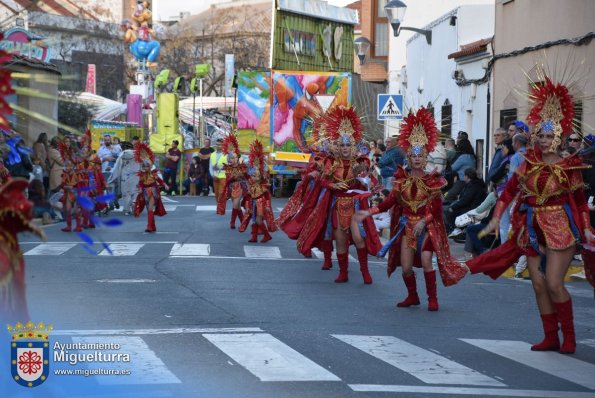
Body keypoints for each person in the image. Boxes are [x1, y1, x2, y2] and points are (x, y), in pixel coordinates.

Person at [467, 73, 594, 354]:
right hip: (533, 228)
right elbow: (509, 192)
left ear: (559, 136)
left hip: (561, 227)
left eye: (551, 136)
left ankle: (569, 336)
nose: (546, 140)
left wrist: (585, 228)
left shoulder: (569, 166)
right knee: (537, 284)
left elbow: (581, 202)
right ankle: (551, 336)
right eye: (542, 135)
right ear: (535, 136)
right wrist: (497, 217)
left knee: (553, 282)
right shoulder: (526, 164)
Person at [356, 107, 468, 309]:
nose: (416, 159)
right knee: (406, 268)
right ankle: (413, 296)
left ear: (425, 157)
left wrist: (424, 221)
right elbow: (390, 202)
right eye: (413, 156)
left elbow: (435, 208)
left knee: (426, 260)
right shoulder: (401, 181)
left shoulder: (433, 181)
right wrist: (369, 211)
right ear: (408, 157)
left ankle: (432, 299)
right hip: (407, 226)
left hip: (426, 226)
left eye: (420, 155)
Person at [295, 106, 381, 284]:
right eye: (341, 145)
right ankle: (343, 272)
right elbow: (322, 180)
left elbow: (368, 179)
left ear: (354, 145)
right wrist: (332, 184)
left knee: (358, 238)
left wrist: (362, 174)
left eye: (348, 145)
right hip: (337, 204)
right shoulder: (331, 162)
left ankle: (365, 271)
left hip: (355, 205)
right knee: (340, 240)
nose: (344, 148)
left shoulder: (361, 161)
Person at [239, 140, 277, 243]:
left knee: (258, 220)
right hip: (252, 201)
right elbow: (244, 176)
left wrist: (268, 206)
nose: (254, 177)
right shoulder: (250, 177)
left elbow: (268, 195)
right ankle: (254, 237)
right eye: (253, 175)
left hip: (261, 202)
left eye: (256, 176)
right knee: (253, 218)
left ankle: (267, 235)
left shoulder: (263, 184)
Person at [133, 143, 168, 232]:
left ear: (150, 166)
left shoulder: (154, 174)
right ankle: (153, 226)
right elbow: (141, 183)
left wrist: (165, 185)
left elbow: (160, 181)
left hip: (153, 191)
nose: (145, 168)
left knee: (150, 208)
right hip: (145, 192)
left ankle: (149, 226)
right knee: (149, 209)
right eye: (144, 166)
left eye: (147, 166)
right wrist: (140, 188)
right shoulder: (141, 175)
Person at [216, 135, 248, 229]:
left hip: (240, 187)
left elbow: (245, 176)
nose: (234, 160)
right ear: (229, 160)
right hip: (231, 188)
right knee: (237, 207)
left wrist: (240, 174)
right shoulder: (228, 168)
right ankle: (243, 222)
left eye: (235, 158)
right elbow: (229, 178)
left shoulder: (241, 166)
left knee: (235, 204)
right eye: (232, 158)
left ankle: (232, 223)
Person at [443, 167, 486, 233]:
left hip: (469, 209)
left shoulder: (474, 186)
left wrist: (453, 207)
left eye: (464, 175)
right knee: (445, 206)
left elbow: (465, 200)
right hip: (467, 206)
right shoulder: (471, 184)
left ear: (467, 176)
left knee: (446, 210)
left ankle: (451, 229)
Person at [108, 141, 140, 215]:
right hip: (136, 175)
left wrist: (112, 178)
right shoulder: (138, 154)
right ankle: (134, 204)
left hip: (125, 176)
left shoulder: (122, 155)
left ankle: (127, 210)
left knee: (126, 194)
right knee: (135, 192)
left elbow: (117, 167)